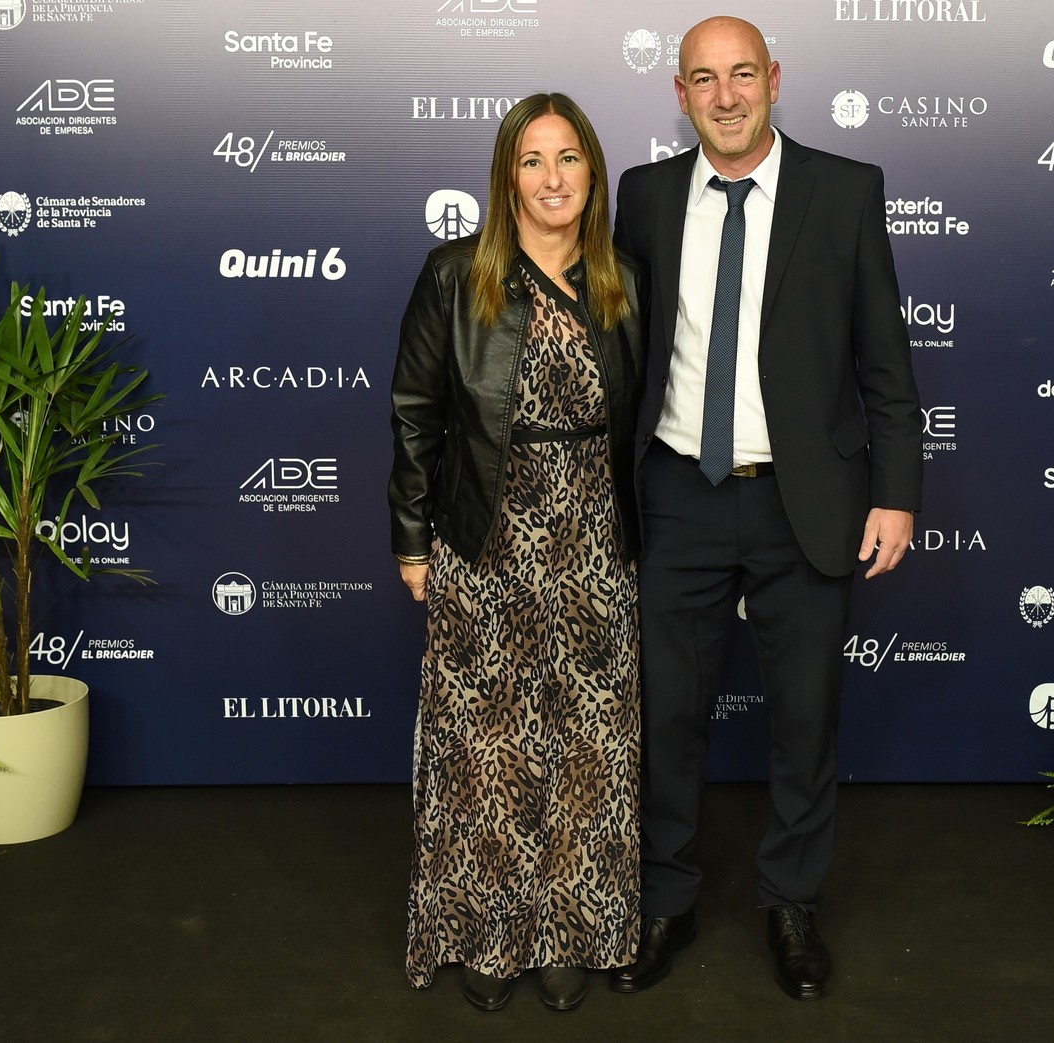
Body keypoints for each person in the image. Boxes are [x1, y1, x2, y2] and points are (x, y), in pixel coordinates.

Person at [611, 16, 922, 1002]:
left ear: (774, 80)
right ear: (680, 94)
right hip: (676, 495)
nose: (726, 96)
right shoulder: (643, 196)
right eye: (703, 80)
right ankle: (665, 898)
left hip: (806, 502)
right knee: (666, 714)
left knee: (804, 717)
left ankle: (790, 902)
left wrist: (895, 494)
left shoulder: (844, 190)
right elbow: (619, 353)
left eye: (741, 74)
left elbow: (884, 364)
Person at [389, 92, 646, 1013]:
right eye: (531, 161)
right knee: (487, 745)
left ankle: (572, 930)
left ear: (592, 173)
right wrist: (412, 541)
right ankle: (490, 934)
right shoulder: (457, 275)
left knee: (589, 741)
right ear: (507, 179)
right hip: (484, 534)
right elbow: (415, 415)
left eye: (567, 158)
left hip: (595, 541)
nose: (551, 178)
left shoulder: (623, 279)